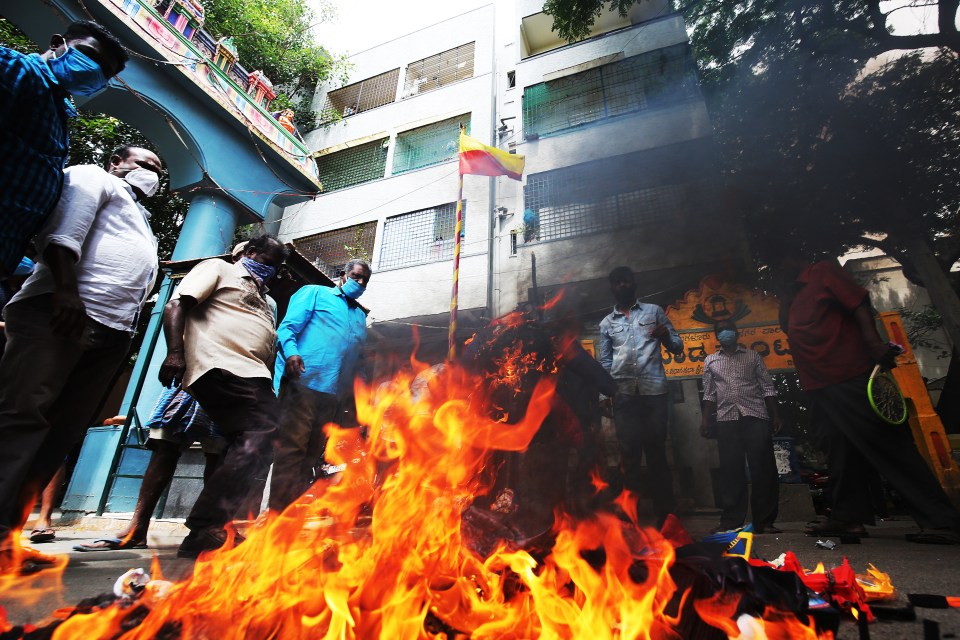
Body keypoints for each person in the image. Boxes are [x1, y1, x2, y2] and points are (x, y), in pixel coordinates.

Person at [0, 145, 161, 572]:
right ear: (117, 163)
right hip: (63, 312)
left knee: (59, 433)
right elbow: (64, 234)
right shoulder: (96, 178)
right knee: (22, 417)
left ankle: (8, 536)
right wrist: (66, 291)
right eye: (145, 165)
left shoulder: (142, 221)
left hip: (111, 332)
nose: (152, 175)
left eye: (158, 171)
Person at [774, 251, 960, 543]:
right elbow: (786, 326)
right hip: (817, 385)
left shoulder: (821, 271)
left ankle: (941, 520)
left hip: (847, 375)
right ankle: (848, 518)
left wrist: (872, 342)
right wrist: (787, 294)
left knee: (886, 443)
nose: (777, 267)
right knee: (837, 448)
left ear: (793, 257)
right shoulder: (794, 294)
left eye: (780, 261)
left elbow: (858, 301)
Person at [159, 234, 288, 558]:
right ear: (250, 251)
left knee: (247, 445)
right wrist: (175, 353)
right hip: (222, 365)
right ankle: (206, 525)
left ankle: (212, 530)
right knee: (264, 430)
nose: (270, 269)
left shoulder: (262, 296)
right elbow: (177, 304)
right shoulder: (218, 268)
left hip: (253, 376)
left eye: (275, 266)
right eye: (266, 260)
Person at [1, 20, 129, 277]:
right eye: (90, 55)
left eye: (104, 72)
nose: (95, 70)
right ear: (57, 44)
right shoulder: (17, 68)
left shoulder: (57, 111)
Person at [267, 259, 371, 514]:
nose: (360, 283)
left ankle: (292, 513)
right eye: (356, 277)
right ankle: (276, 516)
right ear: (343, 275)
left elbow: (356, 358)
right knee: (293, 447)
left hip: (333, 395)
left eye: (364, 281)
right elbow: (287, 328)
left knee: (313, 453)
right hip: (303, 382)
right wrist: (291, 353)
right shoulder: (314, 293)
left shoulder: (359, 315)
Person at [73, 386, 226, 552]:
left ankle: (207, 531)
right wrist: (176, 358)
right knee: (165, 444)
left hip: (228, 380)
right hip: (189, 381)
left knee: (218, 452)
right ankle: (136, 529)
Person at [599, 266, 684, 526]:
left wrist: (667, 336)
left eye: (626, 281)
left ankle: (666, 516)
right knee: (630, 457)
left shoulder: (654, 312)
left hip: (654, 393)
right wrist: (604, 397)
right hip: (624, 396)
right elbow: (604, 362)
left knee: (657, 454)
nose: (623, 286)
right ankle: (632, 518)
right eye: (618, 283)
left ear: (634, 284)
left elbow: (678, 347)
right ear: (612, 288)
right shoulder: (606, 323)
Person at [700, 319, 783, 534]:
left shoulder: (752, 356)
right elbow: (709, 394)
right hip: (727, 420)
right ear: (716, 336)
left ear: (736, 333)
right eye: (720, 330)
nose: (725, 333)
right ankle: (731, 521)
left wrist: (775, 415)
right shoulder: (710, 361)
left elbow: (767, 387)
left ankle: (764, 522)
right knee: (730, 471)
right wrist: (705, 419)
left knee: (763, 469)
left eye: (728, 329)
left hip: (755, 415)